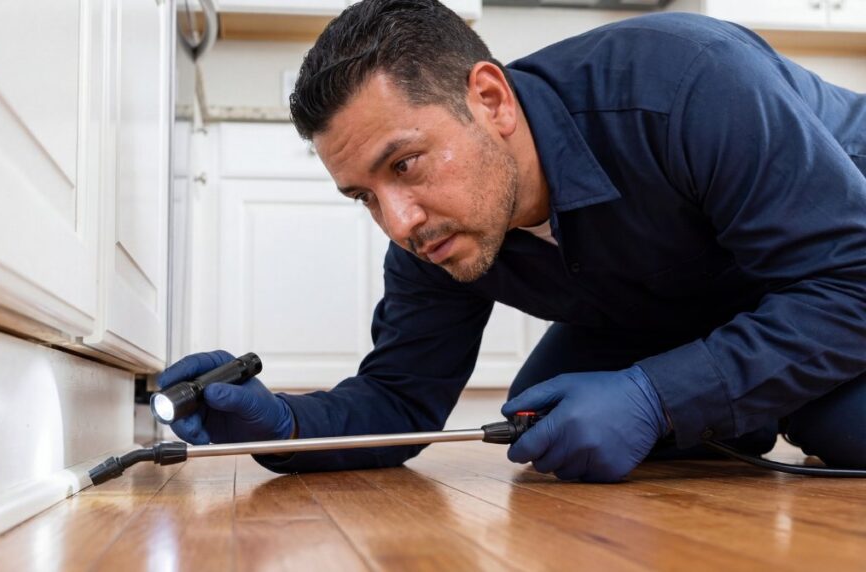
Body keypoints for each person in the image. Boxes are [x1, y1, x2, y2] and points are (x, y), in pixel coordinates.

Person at [159, 0, 866, 482]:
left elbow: (851, 281)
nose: (399, 221)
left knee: (844, 428)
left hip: (838, 261)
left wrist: (661, 396)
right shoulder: (433, 230)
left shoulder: (687, 83)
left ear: (490, 101)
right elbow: (402, 400)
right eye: (365, 196)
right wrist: (280, 425)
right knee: (546, 418)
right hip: (704, 293)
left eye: (404, 164)